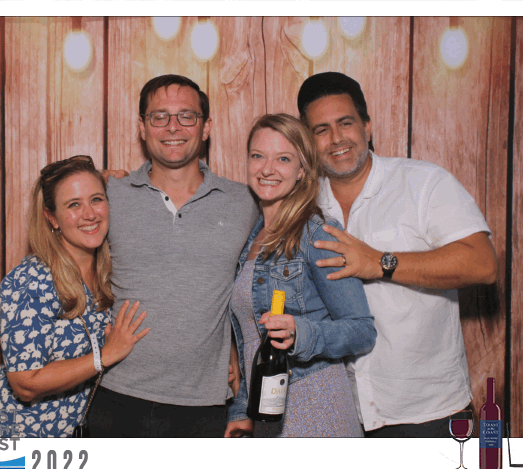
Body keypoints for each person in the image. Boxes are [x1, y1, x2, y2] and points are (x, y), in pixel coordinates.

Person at [297, 72, 499, 437]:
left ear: (367, 126)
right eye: (321, 130)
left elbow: (482, 263)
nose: (336, 138)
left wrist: (380, 262)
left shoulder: (423, 183)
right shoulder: (303, 207)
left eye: (346, 123)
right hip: (343, 416)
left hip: (428, 414)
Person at [86, 75, 259, 437]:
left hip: (205, 404)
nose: (173, 127)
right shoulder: (110, 194)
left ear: (206, 127)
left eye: (186, 116)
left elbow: (260, 287)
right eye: (159, 117)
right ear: (142, 127)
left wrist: (236, 354)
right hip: (116, 394)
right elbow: (63, 248)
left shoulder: (245, 202)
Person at [224, 114, 376, 438]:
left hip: (315, 407)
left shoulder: (317, 234)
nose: (267, 169)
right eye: (258, 156)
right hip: (267, 413)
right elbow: (253, 342)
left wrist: (301, 333)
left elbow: (362, 331)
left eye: (283, 159)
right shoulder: (251, 238)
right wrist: (241, 410)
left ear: (302, 170)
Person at [0, 156, 149, 438]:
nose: (89, 214)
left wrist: (121, 181)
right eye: (73, 205)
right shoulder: (32, 279)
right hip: (17, 440)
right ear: (52, 217)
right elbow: (25, 383)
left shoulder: (110, 273)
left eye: (96, 199)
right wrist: (105, 355)